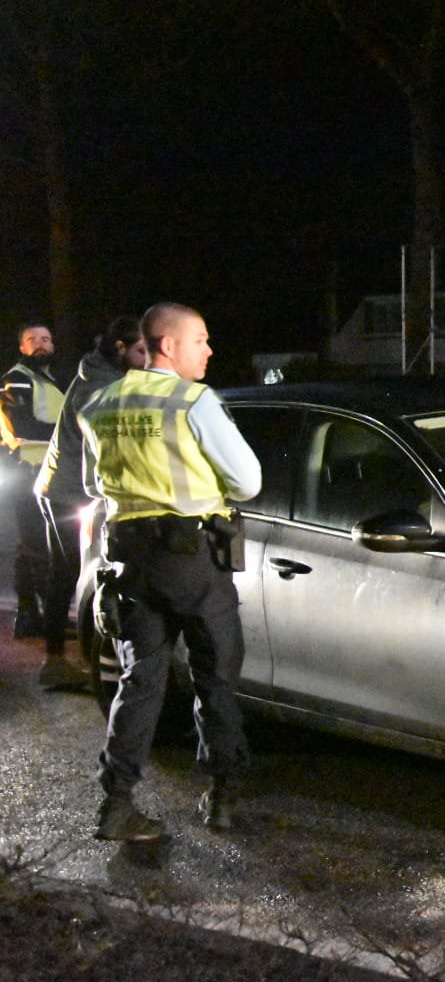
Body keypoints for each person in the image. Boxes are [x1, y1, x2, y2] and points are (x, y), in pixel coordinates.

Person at [79, 303, 260, 842]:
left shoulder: (101, 403)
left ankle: (116, 803)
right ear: (167, 346)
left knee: (138, 683)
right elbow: (247, 480)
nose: (209, 350)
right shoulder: (192, 401)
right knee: (215, 678)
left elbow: (95, 485)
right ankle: (223, 796)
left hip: (132, 563)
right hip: (193, 561)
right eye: (200, 339)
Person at [32, 317, 148, 689]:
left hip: (58, 485)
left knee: (64, 573)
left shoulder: (99, 374)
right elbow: (100, 450)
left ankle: (57, 660)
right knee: (78, 574)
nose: (147, 358)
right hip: (69, 492)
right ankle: (67, 662)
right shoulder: (100, 385)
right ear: (120, 348)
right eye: (141, 350)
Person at [1, 323, 65, 637]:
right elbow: (22, 425)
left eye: (45, 339)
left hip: (53, 471)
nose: (40, 344)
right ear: (22, 348)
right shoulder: (16, 379)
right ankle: (30, 613)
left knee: (48, 544)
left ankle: (41, 612)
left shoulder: (54, 379)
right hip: (30, 472)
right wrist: (68, 432)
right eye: (32, 340)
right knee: (35, 544)